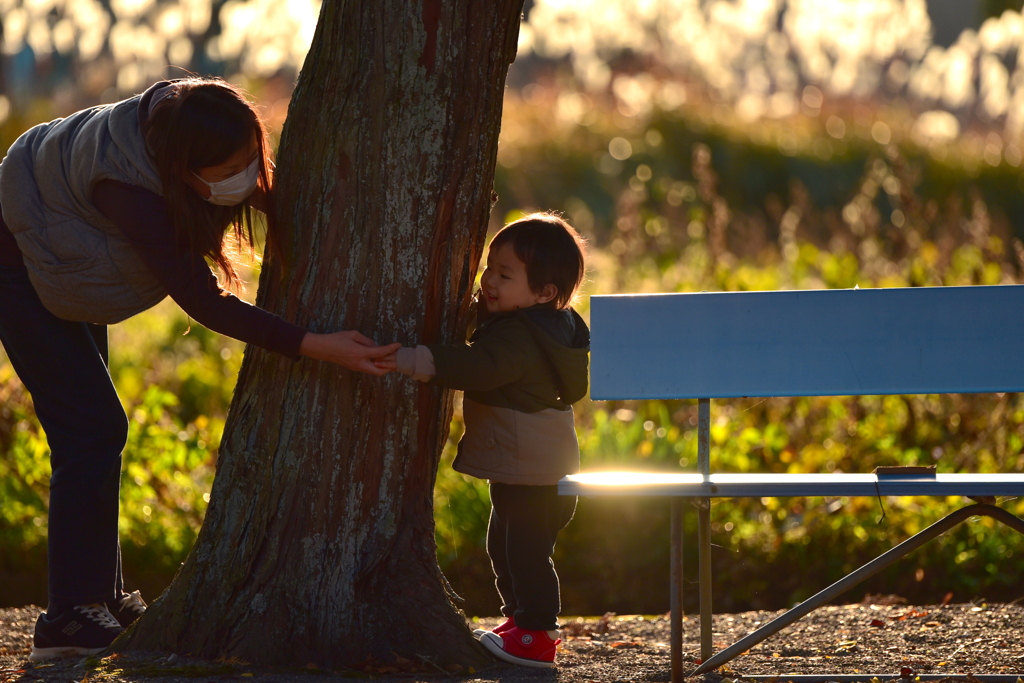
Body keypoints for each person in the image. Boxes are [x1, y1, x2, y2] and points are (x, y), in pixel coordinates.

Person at [0, 77, 398, 661]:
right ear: (183, 169)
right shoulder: (130, 191)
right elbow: (205, 301)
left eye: (251, 159)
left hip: (68, 246)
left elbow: (251, 186)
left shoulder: (196, 119)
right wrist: (318, 345)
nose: (247, 175)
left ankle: (100, 599)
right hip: (24, 269)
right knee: (91, 432)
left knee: (97, 436)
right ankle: (68, 619)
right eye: (232, 167)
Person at [376, 213, 590, 669]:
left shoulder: (521, 336)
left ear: (544, 293)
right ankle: (519, 622)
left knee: (527, 553)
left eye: (504, 275)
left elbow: (481, 366)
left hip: (533, 471)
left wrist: (414, 359)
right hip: (529, 467)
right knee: (505, 545)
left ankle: (537, 635)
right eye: (489, 268)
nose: (489, 281)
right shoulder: (538, 322)